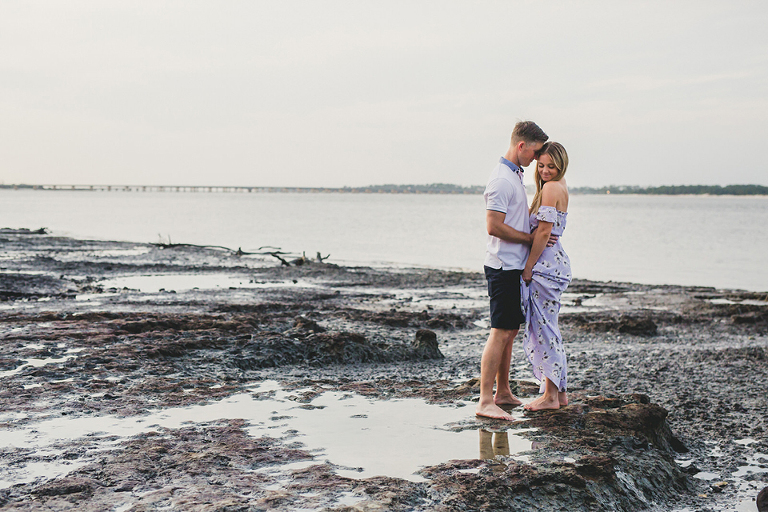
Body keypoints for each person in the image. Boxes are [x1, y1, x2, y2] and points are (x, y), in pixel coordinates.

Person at [476, 121, 549, 421]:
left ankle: (503, 392)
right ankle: (484, 400)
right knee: (500, 331)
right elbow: (493, 226)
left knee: (511, 330)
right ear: (521, 146)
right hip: (502, 266)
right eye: (535, 152)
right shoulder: (501, 180)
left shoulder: (514, 175)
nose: (536, 158)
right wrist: (529, 239)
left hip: (513, 266)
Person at [521, 141, 572, 411]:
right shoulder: (560, 185)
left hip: (545, 268)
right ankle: (558, 393)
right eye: (541, 165)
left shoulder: (551, 188)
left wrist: (528, 266)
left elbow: (543, 231)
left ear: (561, 165)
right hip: (555, 266)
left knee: (544, 331)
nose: (545, 171)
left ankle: (550, 397)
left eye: (551, 166)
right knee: (550, 330)